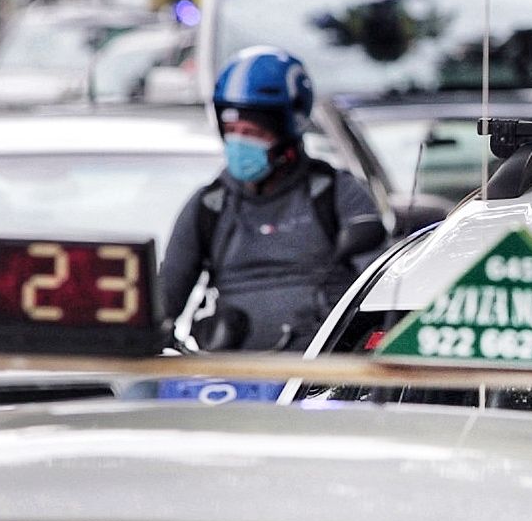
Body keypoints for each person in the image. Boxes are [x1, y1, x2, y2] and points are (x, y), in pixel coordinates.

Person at [160, 47, 387, 351]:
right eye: (231, 131)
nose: (239, 143)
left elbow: (380, 289)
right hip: (226, 382)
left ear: (289, 130)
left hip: (321, 377)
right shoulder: (209, 206)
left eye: (252, 132)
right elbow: (163, 302)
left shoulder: (335, 193)